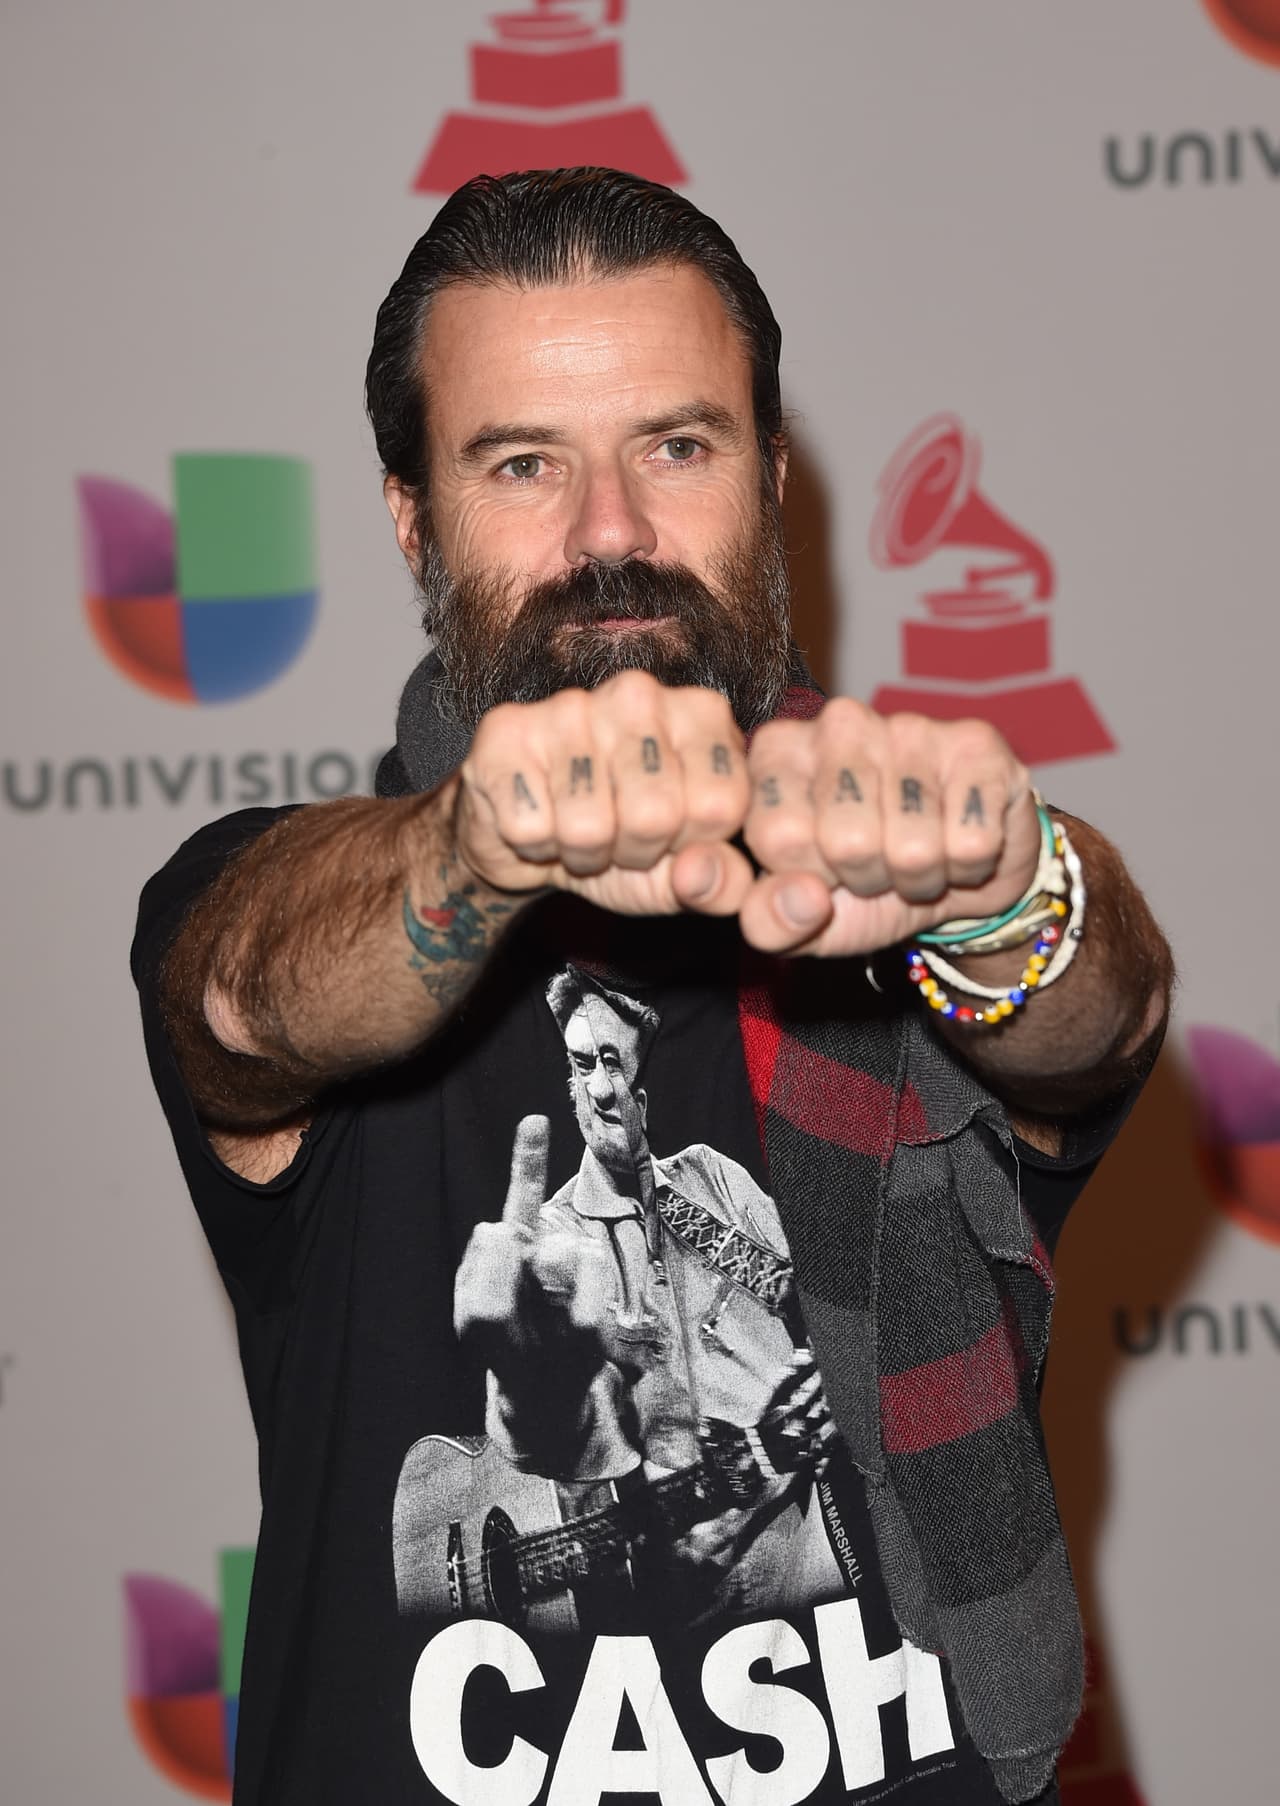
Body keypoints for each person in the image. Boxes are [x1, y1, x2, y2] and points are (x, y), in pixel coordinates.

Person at [132, 168, 1172, 1806]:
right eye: (523, 463)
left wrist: (1010, 892)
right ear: (411, 519)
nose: (610, 533)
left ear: (771, 481)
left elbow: (1101, 1012)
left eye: (676, 447)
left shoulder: (903, 887)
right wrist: (477, 849)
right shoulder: (302, 897)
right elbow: (248, 994)